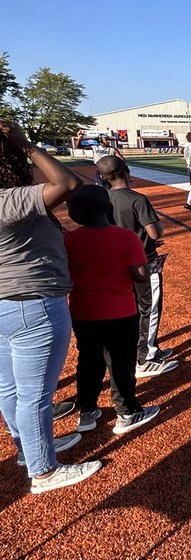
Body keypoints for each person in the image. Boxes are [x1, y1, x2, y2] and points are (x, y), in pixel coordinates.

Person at [0, 121, 101, 493]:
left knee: (8, 389)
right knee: (34, 395)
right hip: (32, 301)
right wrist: (27, 146)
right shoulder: (6, 200)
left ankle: (29, 449)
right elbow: (70, 184)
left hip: (4, 305)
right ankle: (43, 470)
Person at [65, 185, 160, 436]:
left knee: (88, 360)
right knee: (120, 362)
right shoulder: (126, 237)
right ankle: (126, 410)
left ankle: (87, 410)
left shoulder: (69, 240)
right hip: (120, 311)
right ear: (107, 209)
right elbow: (140, 275)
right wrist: (147, 266)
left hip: (83, 311)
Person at [98, 156, 179, 378]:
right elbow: (155, 232)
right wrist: (152, 234)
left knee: (132, 309)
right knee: (150, 308)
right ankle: (145, 357)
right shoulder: (137, 199)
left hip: (117, 262)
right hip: (143, 262)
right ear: (126, 171)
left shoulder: (102, 199)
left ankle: (148, 349)